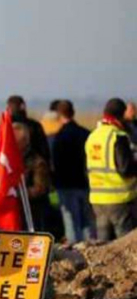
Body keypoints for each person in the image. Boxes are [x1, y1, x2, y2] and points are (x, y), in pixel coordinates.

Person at [85, 98, 137, 242]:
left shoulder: (93, 136)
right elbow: (125, 168)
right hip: (119, 199)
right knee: (125, 245)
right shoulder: (118, 136)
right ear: (122, 115)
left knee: (104, 247)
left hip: (97, 199)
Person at [52, 100, 95, 243]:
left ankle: (76, 253)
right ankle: (92, 252)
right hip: (85, 182)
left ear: (59, 115)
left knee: (71, 223)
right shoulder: (85, 133)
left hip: (65, 185)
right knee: (88, 222)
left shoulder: (58, 137)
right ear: (73, 112)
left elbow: (55, 162)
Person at [12, 116, 52, 232]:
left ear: (25, 141)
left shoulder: (37, 162)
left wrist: (18, 194)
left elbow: (40, 188)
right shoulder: (7, 162)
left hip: (31, 213)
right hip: (12, 214)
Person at [6, 95, 51, 164]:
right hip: (32, 165)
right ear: (23, 107)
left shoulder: (3, 127)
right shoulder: (35, 126)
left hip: (10, 167)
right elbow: (44, 151)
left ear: (8, 109)